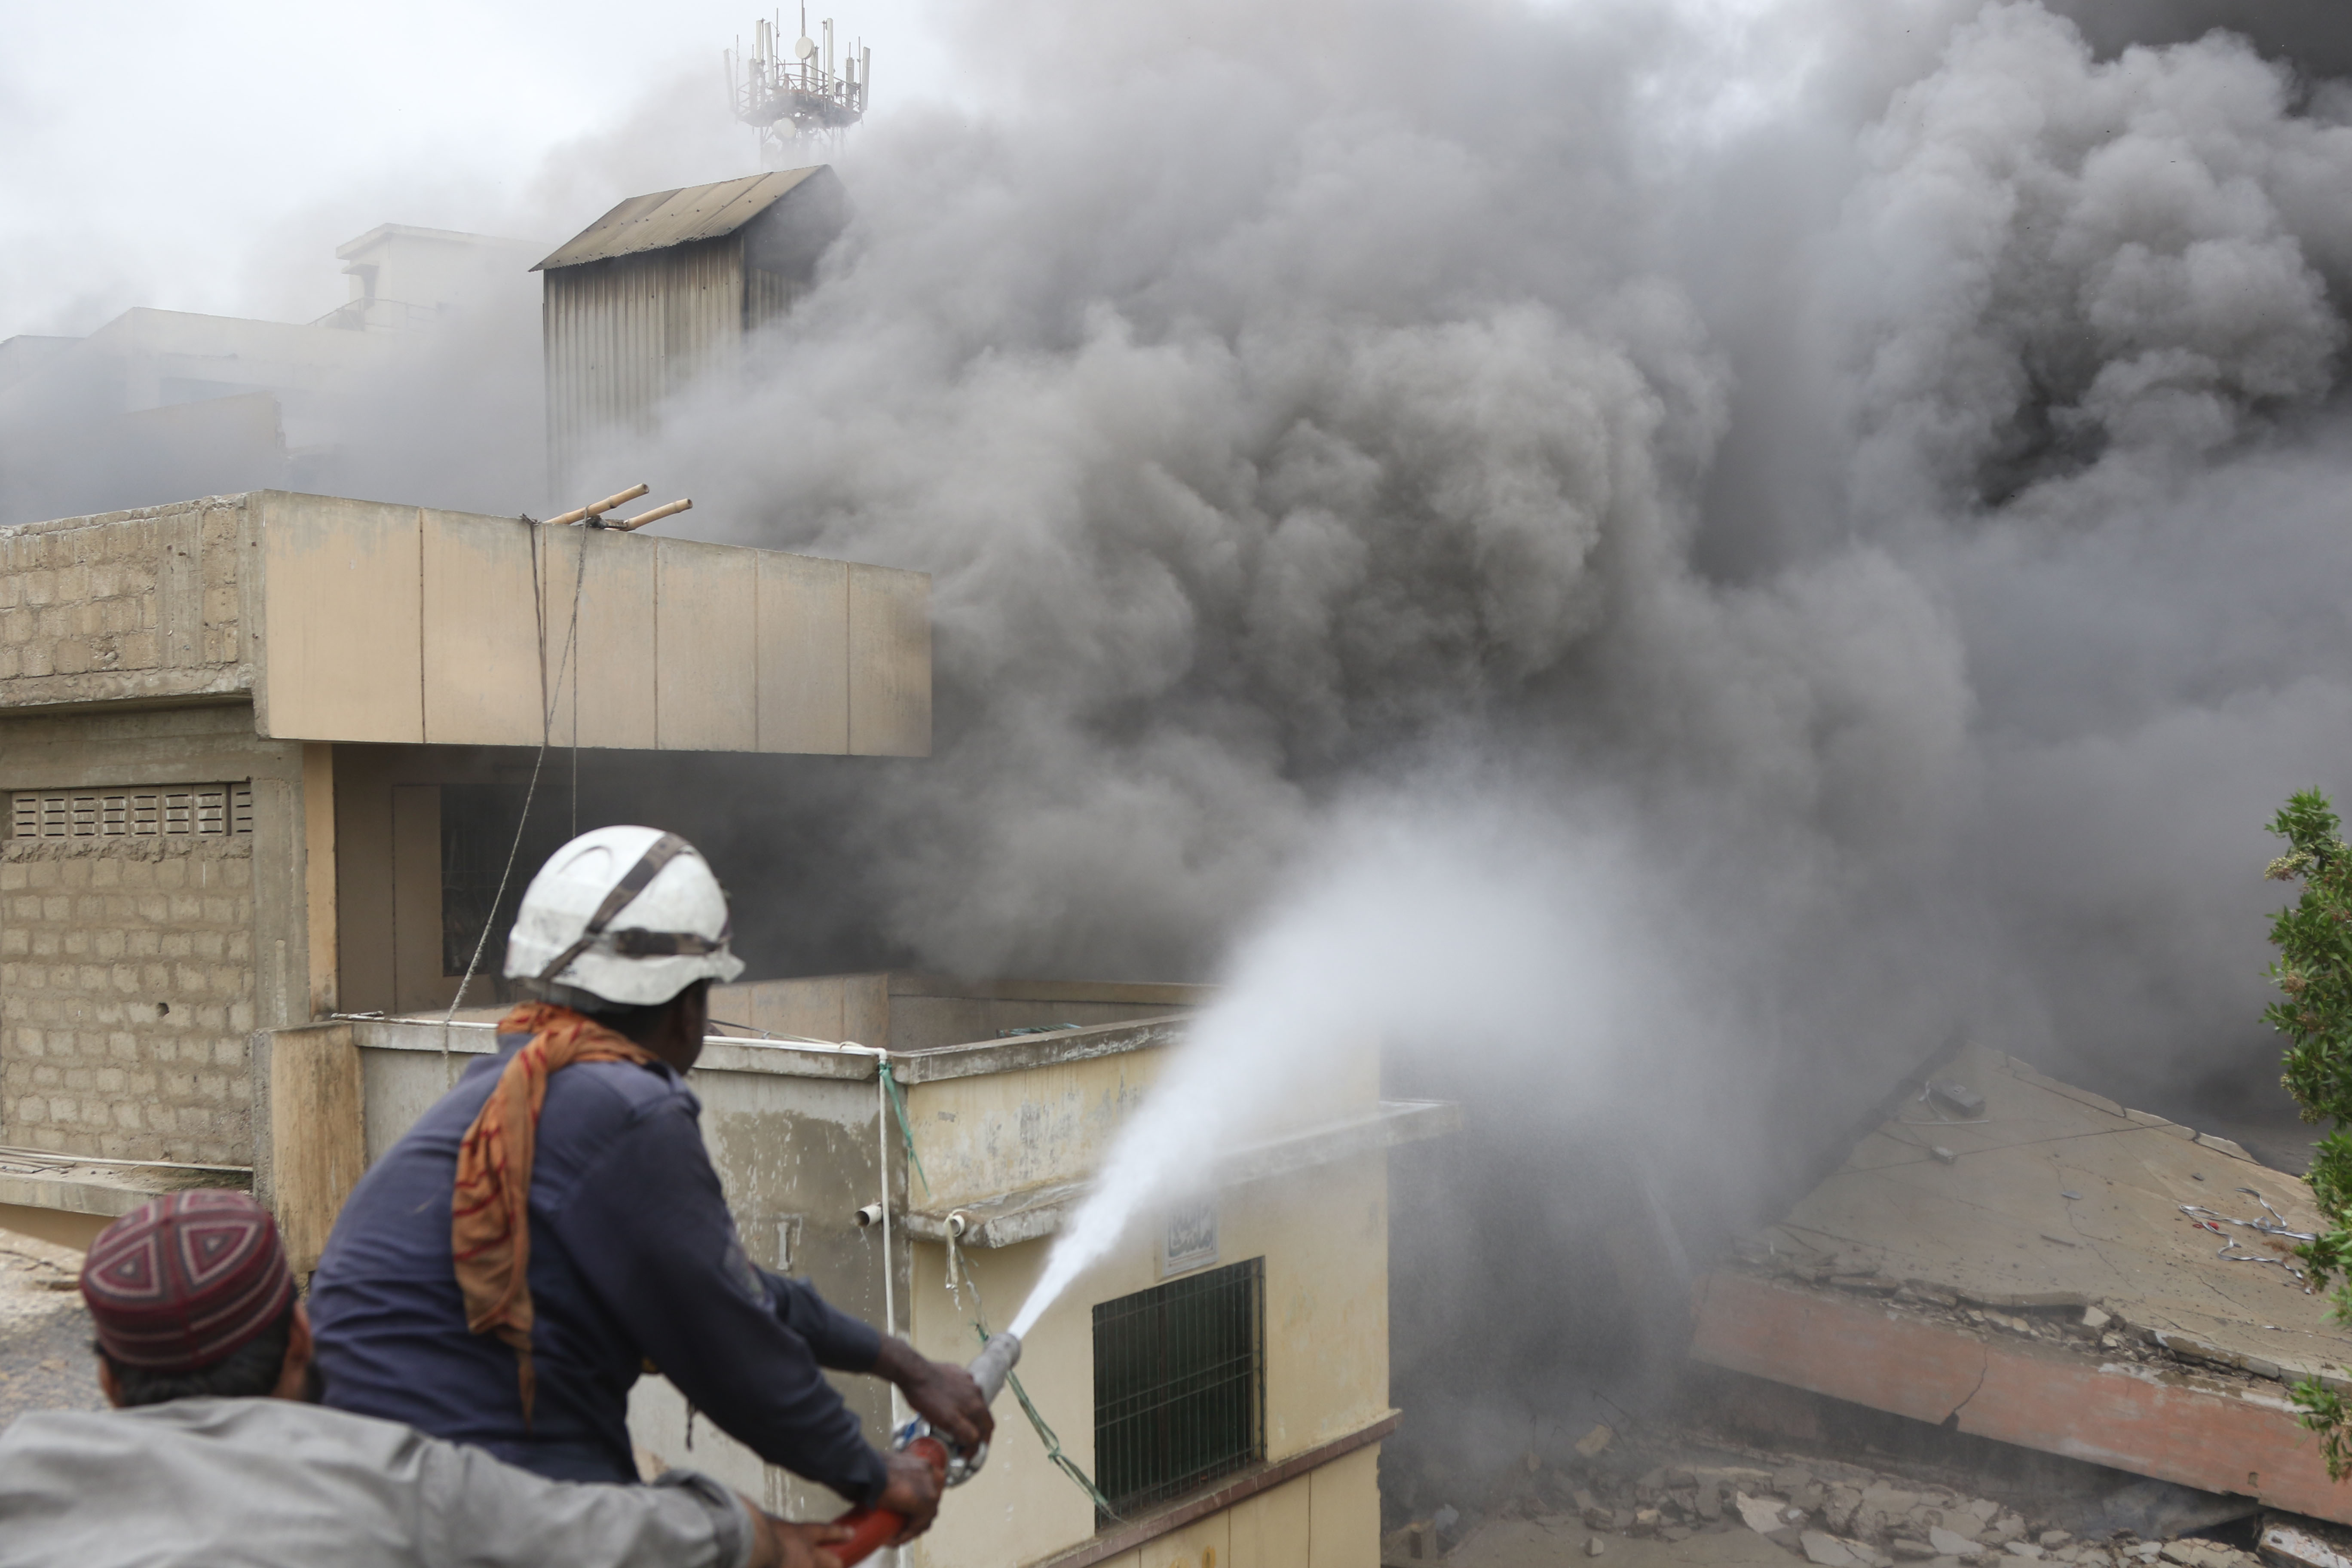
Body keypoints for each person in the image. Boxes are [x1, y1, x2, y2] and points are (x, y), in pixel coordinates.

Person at [308, 826, 988, 1538]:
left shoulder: (504, 1094)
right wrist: (874, 1474)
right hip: (480, 1508)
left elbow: (731, 1292)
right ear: (687, 1005)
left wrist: (902, 1363)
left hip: (364, 1498)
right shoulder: (625, 1109)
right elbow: (728, 1344)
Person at [0, 1191, 848, 1568]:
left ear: (110, 1383)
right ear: (303, 1334)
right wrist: (759, 1532)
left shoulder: (21, 1466)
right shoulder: (398, 1485)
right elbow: (626, 1538)